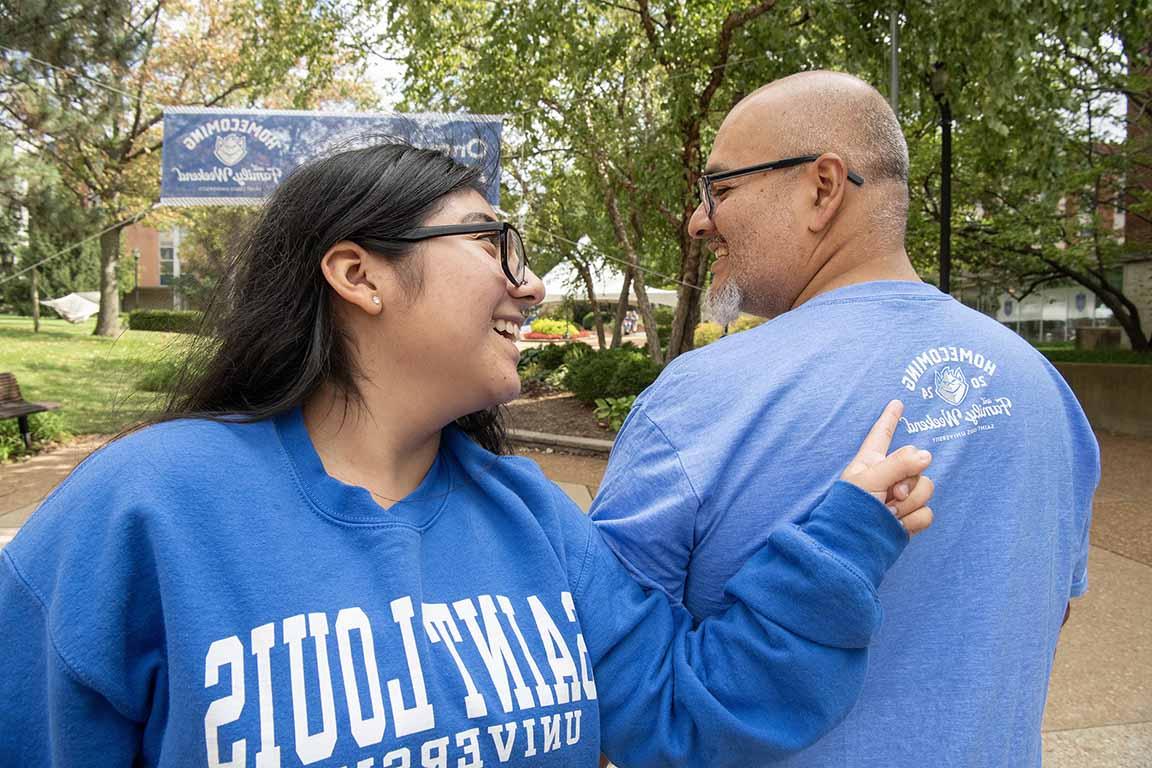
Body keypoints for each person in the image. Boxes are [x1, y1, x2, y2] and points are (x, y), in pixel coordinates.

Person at [0, 141, 934, 767]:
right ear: (358, 273)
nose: (529, 284)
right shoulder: (140, 511)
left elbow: (694, 712)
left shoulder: (534, 518)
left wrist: (838, 542)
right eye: (494, 243)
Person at [590, 71, 1099, 768]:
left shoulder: (696, 402)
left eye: (722, 189)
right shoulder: (1044, 388)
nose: (698, 219)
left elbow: (600, 681)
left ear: (823, 187)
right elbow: (1045, 616)